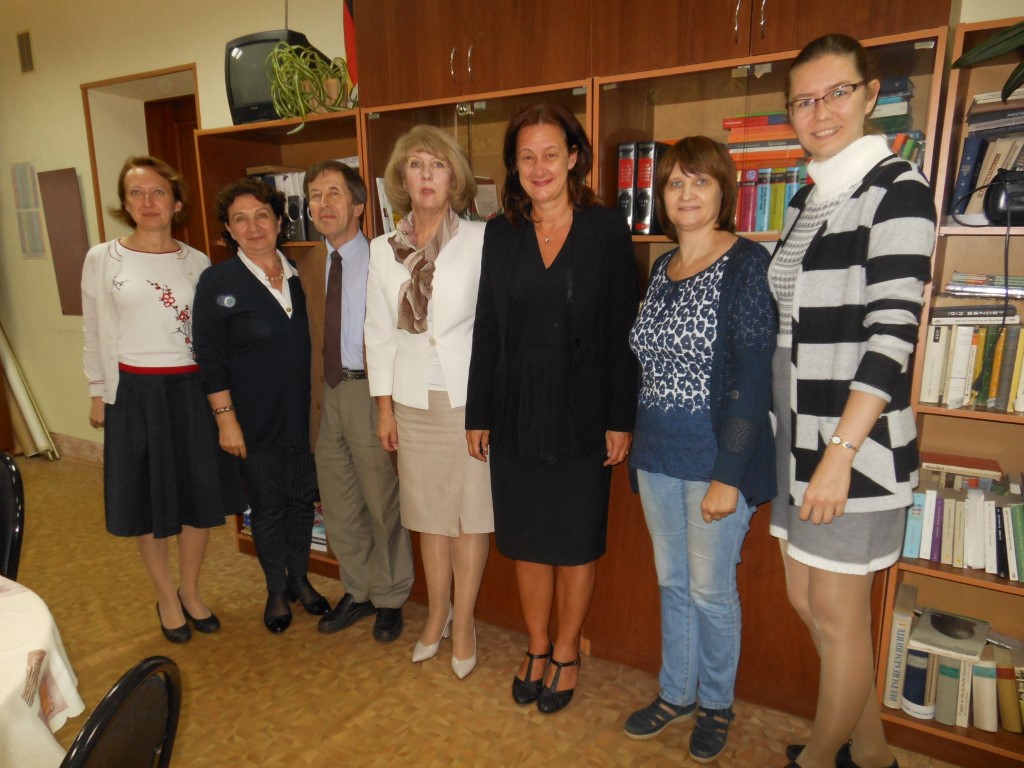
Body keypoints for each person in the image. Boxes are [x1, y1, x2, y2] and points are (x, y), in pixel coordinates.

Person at [770, 35, 935, 768]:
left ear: (871, 95)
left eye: (836, 92)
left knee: (838, 614)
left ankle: (818, 759)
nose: (820, 111)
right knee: (808, 601)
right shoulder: (808, 197)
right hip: (795, 426)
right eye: (803, 101)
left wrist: (841, 453)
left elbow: (892, 332)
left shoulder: (898, 188)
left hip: (849, 436)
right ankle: (871, 755)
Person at [466, 102, 637, 713]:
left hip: (582, 413)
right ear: (514, 167)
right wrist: (478, 413)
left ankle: (566, 652)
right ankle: (536, 646)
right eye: (526, 157)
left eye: (550, 154)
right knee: (528, 540)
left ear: (573, 158)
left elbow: (623, 332)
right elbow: (487, 327)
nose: (539, 167)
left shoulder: (606, 229)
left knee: (575, 541)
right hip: (515, 410)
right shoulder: (500, 232)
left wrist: (620, 417)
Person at [624, 137, 777, 762]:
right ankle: (676, 692)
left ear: (723, 192)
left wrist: (728, 475)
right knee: (673, 583)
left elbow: (752, 379)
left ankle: (715, 704)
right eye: (674, 183)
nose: (686, 193)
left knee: (712, 591)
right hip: (657, 458)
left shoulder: (747, 264)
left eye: (700, 181)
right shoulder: (662, 266)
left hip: (716, 460)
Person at [81, 155, 243, 644]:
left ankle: (190, 590)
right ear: (125, 203)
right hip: (133, 393)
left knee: (199, 495)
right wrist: (97, 391)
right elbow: (93, 330)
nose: (148, 202)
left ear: (176, 203)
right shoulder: (103, 259)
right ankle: (165, 597)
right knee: (147, 501)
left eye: (158, 192)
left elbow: (211, 337)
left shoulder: (196, 262)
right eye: (137, 193)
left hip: (191, 391)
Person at [364, 125, 493, 677]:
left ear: (453, 177)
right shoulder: (383, 250)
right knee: (429, 517)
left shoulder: (482, 240)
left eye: (437, 165)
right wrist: (384, 408)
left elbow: (492, 328)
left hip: (467, 400)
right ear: (401, 178)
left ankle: (464, 622)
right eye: (415, 164)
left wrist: (489, 404)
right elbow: (378, 333)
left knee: (470, 515)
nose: (426, 175)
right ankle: (436, 613)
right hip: (413, 400)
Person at [192, 177, 326, 634]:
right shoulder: (218, 281)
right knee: (268, 505)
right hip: (252, 418)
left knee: (302, 500)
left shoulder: (301, 274)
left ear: (278, 220)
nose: (253, 228)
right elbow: (209, 359)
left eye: (262, 216)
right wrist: (226, 421)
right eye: (240, 220)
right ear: (228, 230)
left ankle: (300, 578)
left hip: (303, 414)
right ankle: (276, 589)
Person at [297, 161, 414, 644]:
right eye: (314, 195)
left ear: (359, 205)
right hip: (326, 395)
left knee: (382, 501)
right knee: (339, 501)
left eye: (333, 193)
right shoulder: (307, 264)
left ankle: (390, 597)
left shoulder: (389, 256)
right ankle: (358, 590)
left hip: (372, 391)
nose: (323, 204)